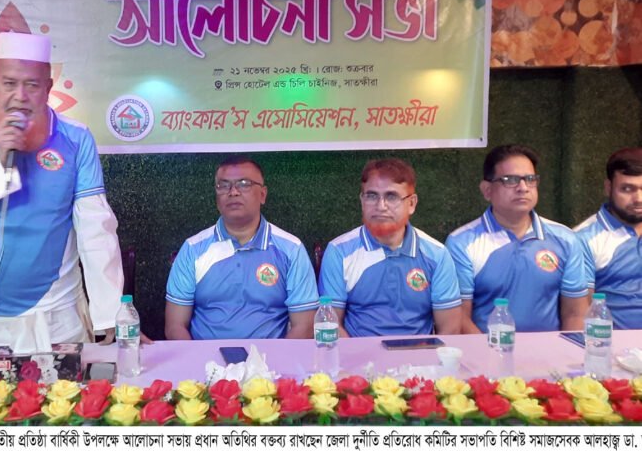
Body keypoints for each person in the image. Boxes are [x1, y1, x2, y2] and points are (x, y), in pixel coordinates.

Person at [0, 32, 148, 349]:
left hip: (55, 315)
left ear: (48, 86)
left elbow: (96, 229)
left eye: (31, 85)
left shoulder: (75, 138)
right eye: (9, 83)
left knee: (65, 384)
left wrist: (110, 313)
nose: (20, 96)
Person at [165, 156, 319, 339]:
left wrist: (275, 358)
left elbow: (304, 326)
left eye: (244, 184)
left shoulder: (291, 249)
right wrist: (196, 357)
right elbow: (175, 326)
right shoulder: (193, 249)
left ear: (263, 195)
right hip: (205, 356)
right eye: (223, 185)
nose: (233, 192)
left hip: (270, 356)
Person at [446, 144, 588, 333]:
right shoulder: (462, 243)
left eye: (530, 179)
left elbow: (575, 314)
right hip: (487, 349)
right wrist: (492, 350)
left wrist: (565, 350)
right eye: (510, 180)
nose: (523, 188)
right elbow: (459, 317)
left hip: (549, 350)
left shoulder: (566, 239)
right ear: (487, 190)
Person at [318, 158, 461, 337]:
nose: (381, 206)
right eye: (372, 196)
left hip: (419, 352)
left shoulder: (437, 255)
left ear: (411, 204)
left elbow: (450, 329)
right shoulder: (339, 251)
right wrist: (357, 355)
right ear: (362, 201)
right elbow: (330, 323)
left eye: (391, 196)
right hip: (358, 353)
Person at [575, 147, 642, 329]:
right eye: (627, 189)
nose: (638, 199)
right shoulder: (582, 239)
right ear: (608, 188)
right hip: (612, 343)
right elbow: (582, 312)